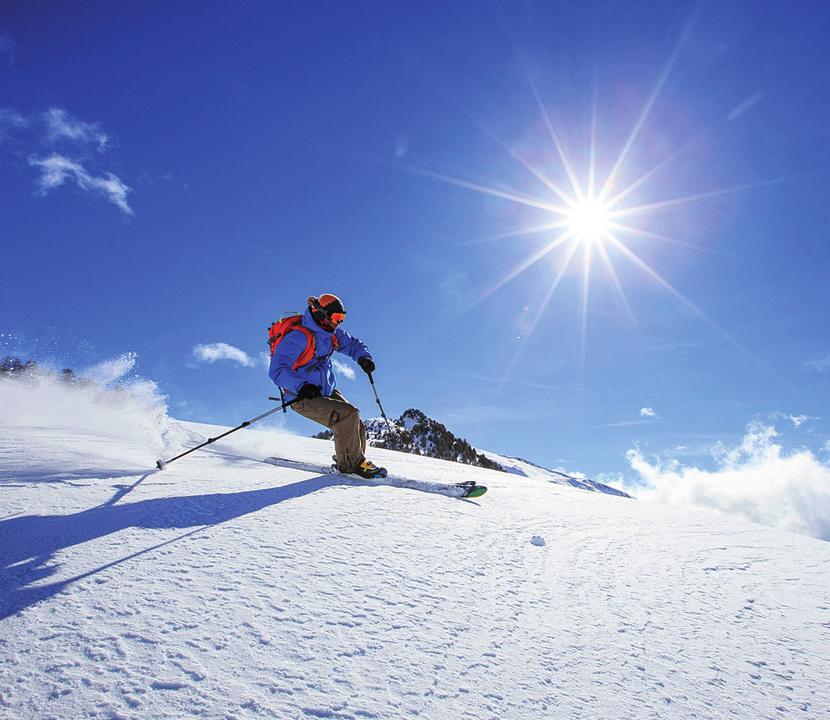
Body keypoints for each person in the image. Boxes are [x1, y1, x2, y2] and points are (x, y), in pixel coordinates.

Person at [268, 294, 386, 479]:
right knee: (348, 415)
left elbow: (353, 344)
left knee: (357, 424)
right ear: (322, 315)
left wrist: (363, 357)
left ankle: (352, 458)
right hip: (302, 396)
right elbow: (277, 370)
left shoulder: (331, 333)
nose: (338, 323)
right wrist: (301, 386)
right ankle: (349, 465)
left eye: (342, 318)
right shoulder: (298, 337)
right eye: (336, 318)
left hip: (325, 390)